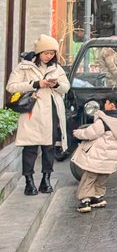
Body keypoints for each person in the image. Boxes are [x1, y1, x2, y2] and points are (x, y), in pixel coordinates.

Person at [6, 35, 70, 196]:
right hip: (31, 112)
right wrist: (35, 84)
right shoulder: (24, 67)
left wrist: (56, 84)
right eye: (46, 53)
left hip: (51, 113)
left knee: (49, 147)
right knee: (30, 147)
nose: (49, 56)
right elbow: (11, 86)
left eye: (52, 53)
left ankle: (46, 179)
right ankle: (29, 181)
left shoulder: (56, 68)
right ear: (39, 52)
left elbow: (66, 87)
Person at [70, 92, 117, 213]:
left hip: (97, 157)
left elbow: (90, 133)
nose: (104, 104)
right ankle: (98, 198)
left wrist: (78, 133)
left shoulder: (105, 120)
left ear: (111, 105)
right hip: (110, 160)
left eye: (106, 102)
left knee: (89, 178)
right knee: (102, 179)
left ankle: (85, 201)